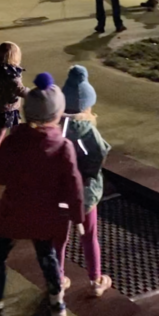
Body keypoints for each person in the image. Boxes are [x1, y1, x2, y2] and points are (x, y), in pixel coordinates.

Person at [0, 72, 85, 316]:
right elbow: (74, 185)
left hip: (14, 210)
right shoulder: (63, 146)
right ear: (56, 114)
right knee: (47, 255)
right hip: (45, 213)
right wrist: (77, 216)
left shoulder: (14, 141)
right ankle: (57, 303)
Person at [56, 65, 113, 297]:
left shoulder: (54, 128)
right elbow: (100, 153)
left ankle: (58, 278)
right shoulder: (87, 130)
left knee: (58, 238)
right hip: (84, 194)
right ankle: (96, 279)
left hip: (58, 194)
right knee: (89, 236)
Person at [0, 42, 29, 166]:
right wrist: (34, 93)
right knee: (2, 131)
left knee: (12, 128)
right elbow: (19, 90)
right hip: (9, 107)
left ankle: (12, 151)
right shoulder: (12, 75)